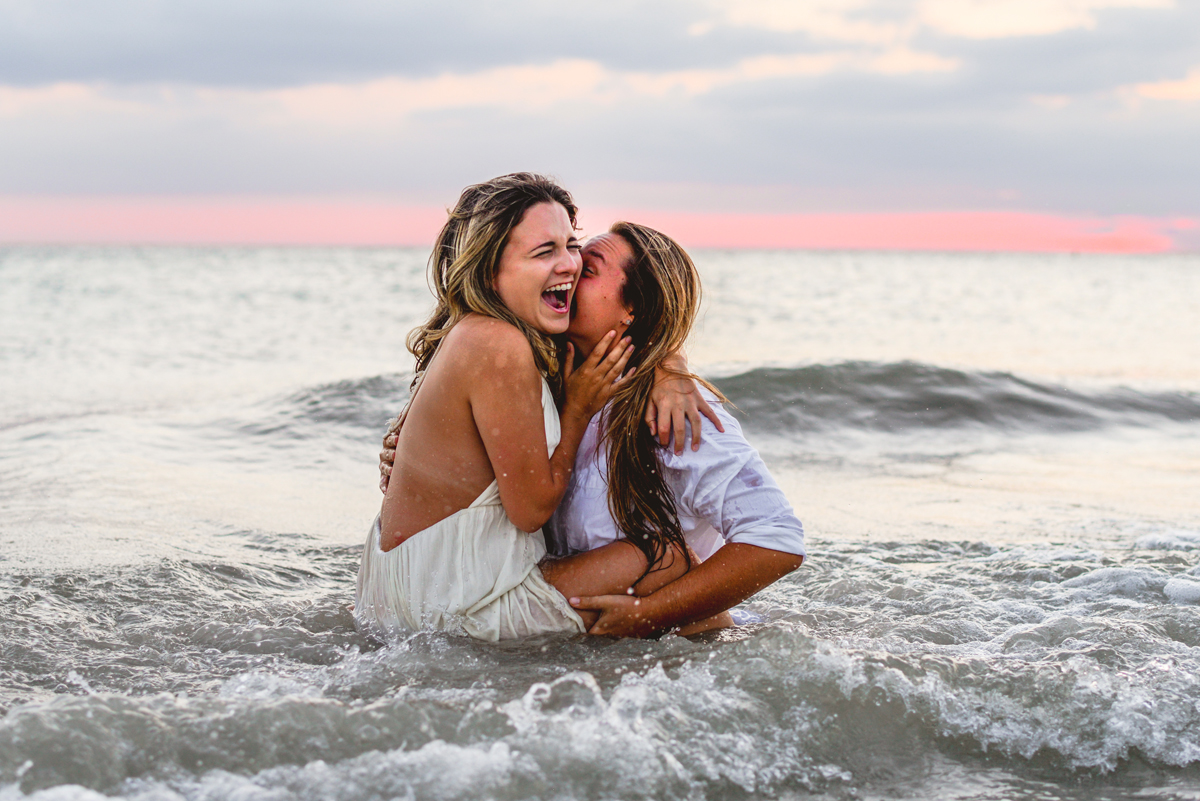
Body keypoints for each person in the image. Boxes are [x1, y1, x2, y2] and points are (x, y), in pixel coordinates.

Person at [380, 218, 806, 638]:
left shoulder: (672, 413)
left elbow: (776, 538)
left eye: (590, 266)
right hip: (564, 626)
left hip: (659, 647)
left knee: (666, 559)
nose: (568, 269)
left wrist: (651, 613)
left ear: (633, 308)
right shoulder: (548, 384)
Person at [356, 173, 706, 642]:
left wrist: (669, 362)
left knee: (678, 600)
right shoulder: (499, 344)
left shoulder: (486, 333)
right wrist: (579, 410)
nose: (570, 266)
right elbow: (530, 512)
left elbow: (627, 322)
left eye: (571, 245)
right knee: (672, 559)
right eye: (545, 252)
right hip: (453, 605)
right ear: (489, 270)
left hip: (405, 588)